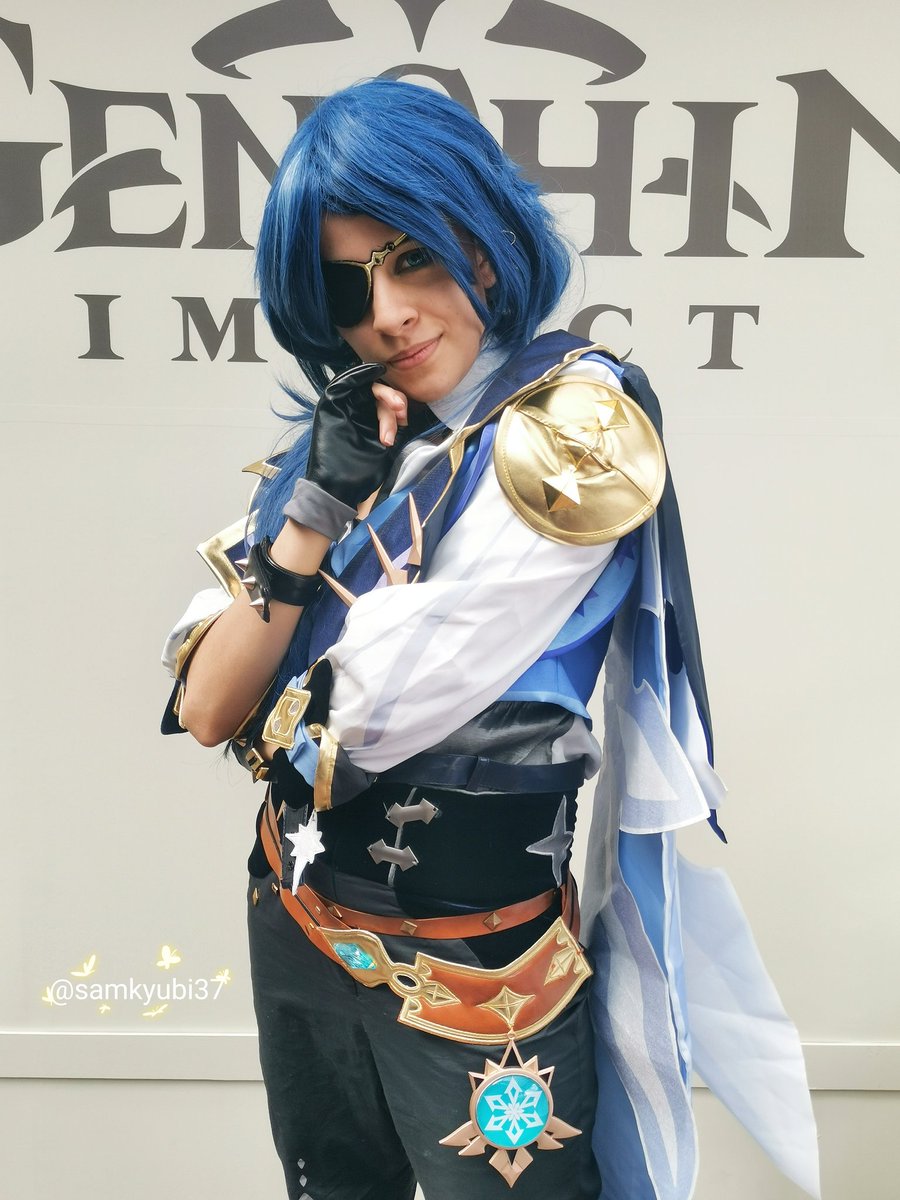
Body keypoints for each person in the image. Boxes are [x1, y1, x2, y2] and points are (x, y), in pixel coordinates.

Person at [162, 80, 819, 1200]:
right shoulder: (353, 433)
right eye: (346, 287)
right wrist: (313, 512)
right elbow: (206, 704)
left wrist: (278, 606)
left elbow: (357, 717)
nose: (388, 315)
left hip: (477, 968)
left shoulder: (572, 427)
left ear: (481, 237)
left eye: (413, 258)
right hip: (296, 914)